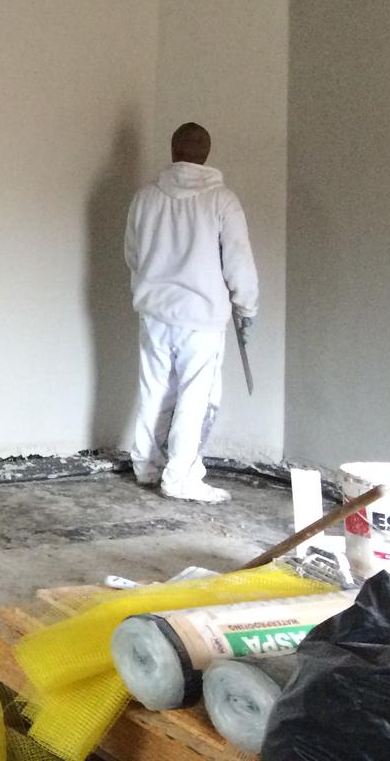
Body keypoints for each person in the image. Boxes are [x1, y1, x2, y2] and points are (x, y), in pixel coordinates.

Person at [124, 122, 258, 503]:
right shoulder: (221, 201)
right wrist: (246, 305)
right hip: (201, 319)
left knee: (154, 390)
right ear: (206, 154)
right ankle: (180, 476)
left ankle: (146, 465)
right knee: (196, 397)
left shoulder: (145, 197)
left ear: (173, 151)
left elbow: (132, 254)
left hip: (154, 313)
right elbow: (239, 262)